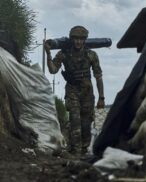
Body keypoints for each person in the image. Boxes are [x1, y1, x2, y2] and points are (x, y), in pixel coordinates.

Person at [44, 25, 105, 156]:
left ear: (84, 40)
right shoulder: (64, 53)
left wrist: (101, 97)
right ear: (72, 39)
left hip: (87, 93)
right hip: (72, 91)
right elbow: (53, 70)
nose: (78, 41)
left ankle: (82, 152)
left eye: (81, 39)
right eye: (76, 38)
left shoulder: (91, 55)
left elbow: (98, 76)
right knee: (75, 122)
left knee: (86, 125)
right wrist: (48, 53)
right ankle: (75, 153)